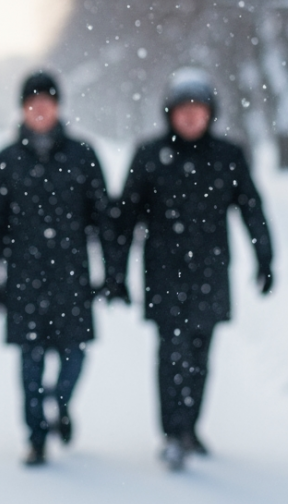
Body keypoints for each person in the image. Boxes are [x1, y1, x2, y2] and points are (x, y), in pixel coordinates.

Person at [107, 67, 274, 472]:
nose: (190, 117)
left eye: (198, 110)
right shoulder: (150, 156)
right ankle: (172, 431)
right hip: (163, 273)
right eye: (183, 110)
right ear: (169, 113)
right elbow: (125, 217)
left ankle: (191, 427)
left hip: (210, 272)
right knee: (171, 353)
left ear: (211, 113)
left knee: (200, 355)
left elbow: (252, 209)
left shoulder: (228, 156)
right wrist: (115, 273)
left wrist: (265, 258)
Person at [0, 71, 114, 466]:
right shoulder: (6, 160)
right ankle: (35, 436)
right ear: (22, 108)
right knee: (29, 363)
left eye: (46, 101)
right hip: (24, 279)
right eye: (32, 101)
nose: (39, 108)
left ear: (58, 106)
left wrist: (113, 273)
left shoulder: (83, 155)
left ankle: (61, 403)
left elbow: (103, 217)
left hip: (71, 276)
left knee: (75, 357)